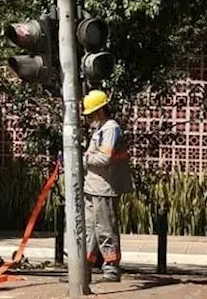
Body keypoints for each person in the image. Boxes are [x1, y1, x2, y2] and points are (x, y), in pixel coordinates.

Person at [82, 89, 133, 282]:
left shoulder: (111, 128)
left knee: (105, 229)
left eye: (90, 115)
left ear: (100, 111)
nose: (88, 119)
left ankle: (111, 268)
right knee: (89, 230)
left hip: (104, 187)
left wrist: (82, 158)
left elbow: (105, 157)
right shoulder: (101, 129)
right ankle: (83, 269)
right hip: (92, 187)